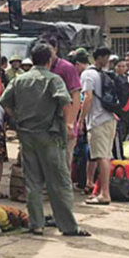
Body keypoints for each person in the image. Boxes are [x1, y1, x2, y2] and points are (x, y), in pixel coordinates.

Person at [0, 44, 90, 237]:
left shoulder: (19, 80)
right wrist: (68, 124)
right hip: (49, 135)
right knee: (59, 182)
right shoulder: (53, 79)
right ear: (49, 60)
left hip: (26, 135)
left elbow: (4, 103)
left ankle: (36, 224)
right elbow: (66, 102)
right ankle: (68, 226)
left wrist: (16, 119)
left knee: (32, 182)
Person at [79, 47, 117, 205]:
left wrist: (81, 120)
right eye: (106, 57)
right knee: (106, 156)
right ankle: (100, 190)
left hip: (97, 120)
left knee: (102, 158)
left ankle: (105, 193)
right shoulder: (105, 74)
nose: (107, 60)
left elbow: (87, 98)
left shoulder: (88, 74)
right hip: (110, 118)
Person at [44, 35, 83, 170]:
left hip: (65, 123)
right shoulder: (41, 68)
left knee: (64, 163)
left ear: (55, 49)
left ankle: (65, 190)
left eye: (48, 49)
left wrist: (70, 124)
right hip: (47, 125)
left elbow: (76, 97)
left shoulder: (67, 68)